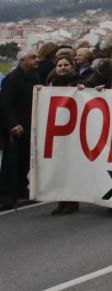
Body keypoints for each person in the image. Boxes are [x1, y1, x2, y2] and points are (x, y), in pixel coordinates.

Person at [0, 49, 41, 210]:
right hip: (15, 127)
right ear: (22, 60)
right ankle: (7, 194)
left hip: (29, 125)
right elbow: (5, 104)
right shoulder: (12, 79)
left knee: (24, 160)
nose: (37, 60)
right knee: (11, 161)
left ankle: (20, 189)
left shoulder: (35, 77)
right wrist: (12, 124)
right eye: (33, 57)